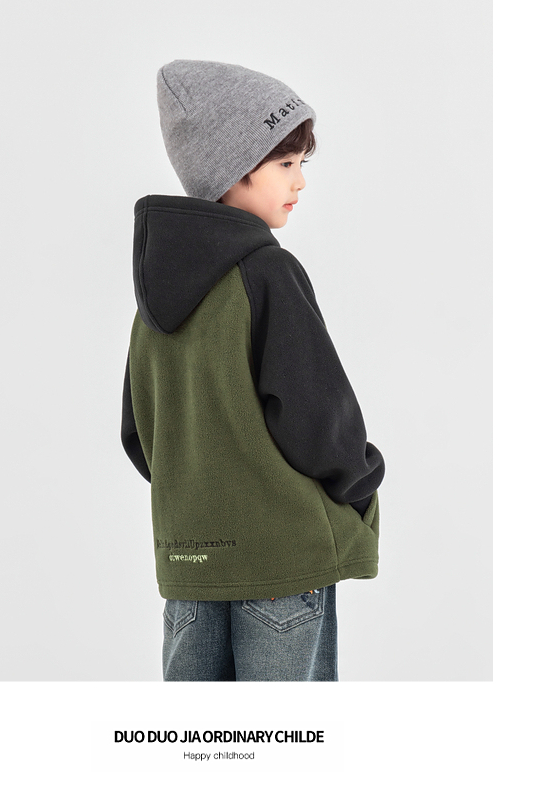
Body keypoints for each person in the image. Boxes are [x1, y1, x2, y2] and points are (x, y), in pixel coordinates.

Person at [121, 60, 385, 681]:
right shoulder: (265, 272)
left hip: (189, 564)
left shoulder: (155, 297)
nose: (300, 181)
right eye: (285, 163)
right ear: (231, 168)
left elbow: (140, 435)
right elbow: (317, 416)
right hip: (281, 563)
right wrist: (361, 482)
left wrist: (200, 494)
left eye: (302, 163)